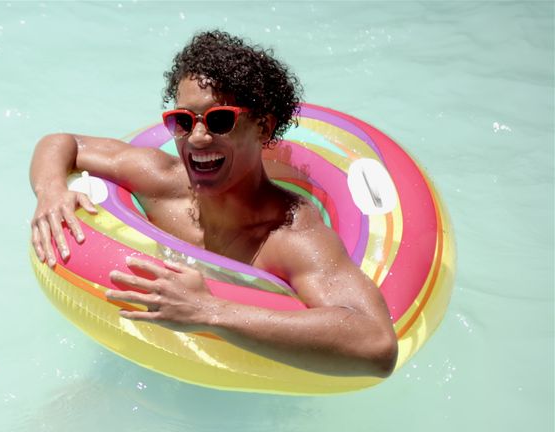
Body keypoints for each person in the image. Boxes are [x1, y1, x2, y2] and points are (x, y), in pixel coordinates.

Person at [28, 30, 397, 378]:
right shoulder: (162, 182)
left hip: (250, 379)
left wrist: (209, 311)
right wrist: (51, 191)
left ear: (263, 128)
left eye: (220, 120)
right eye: (183, 122)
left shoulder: (290, 237)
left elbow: (376, 344)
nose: (198, 138)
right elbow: (63, 143)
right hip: (143, 353)